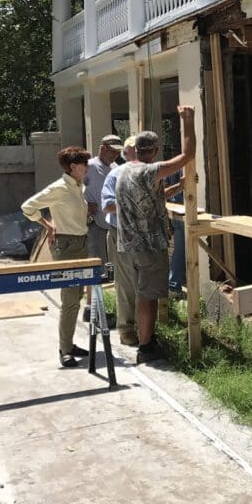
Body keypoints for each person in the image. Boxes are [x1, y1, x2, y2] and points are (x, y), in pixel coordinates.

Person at [114, 107, 196, 364]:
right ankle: (147, 347)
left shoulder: (124, 170)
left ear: (135, 149)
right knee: (148, 297)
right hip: (148, 246)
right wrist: (188, 121)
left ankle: (145, 338)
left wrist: (179, 186)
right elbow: (188, 155)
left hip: (128, 246)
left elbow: (154, 198)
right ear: (155, 151)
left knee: (142, 295)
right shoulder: (148, 171)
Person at [21, 146, 92, 368]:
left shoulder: (77, 187)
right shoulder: (60, 188)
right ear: (73, 167)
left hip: (80, 242)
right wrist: (48, 225)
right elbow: (28, 207)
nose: (87, 168)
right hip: (67, 245)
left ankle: (69, 343)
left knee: (76, 296)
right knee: (69, 299)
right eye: (84, 164)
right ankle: (65, 349)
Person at [100, 137, 139, 346]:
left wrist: (179, 186)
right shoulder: (116, 175)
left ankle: (145, 326)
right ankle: (126, 329)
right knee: (126, 284)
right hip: (120, 233)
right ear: (128, 153)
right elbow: (107, 206)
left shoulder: (150, 173)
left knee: (144, 282)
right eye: (138, 150)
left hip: (143, 235)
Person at [83, 134, 123, 320]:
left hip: (112, 226)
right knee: (95, 267)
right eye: (113, 151)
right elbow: (72, 188)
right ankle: (90, 309)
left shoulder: (115, 168)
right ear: (104, 147)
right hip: (95, 225)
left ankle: (99, 309)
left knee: (109, 269)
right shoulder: (89, 166)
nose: (115, 155)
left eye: (118, 152)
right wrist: (84, 206)